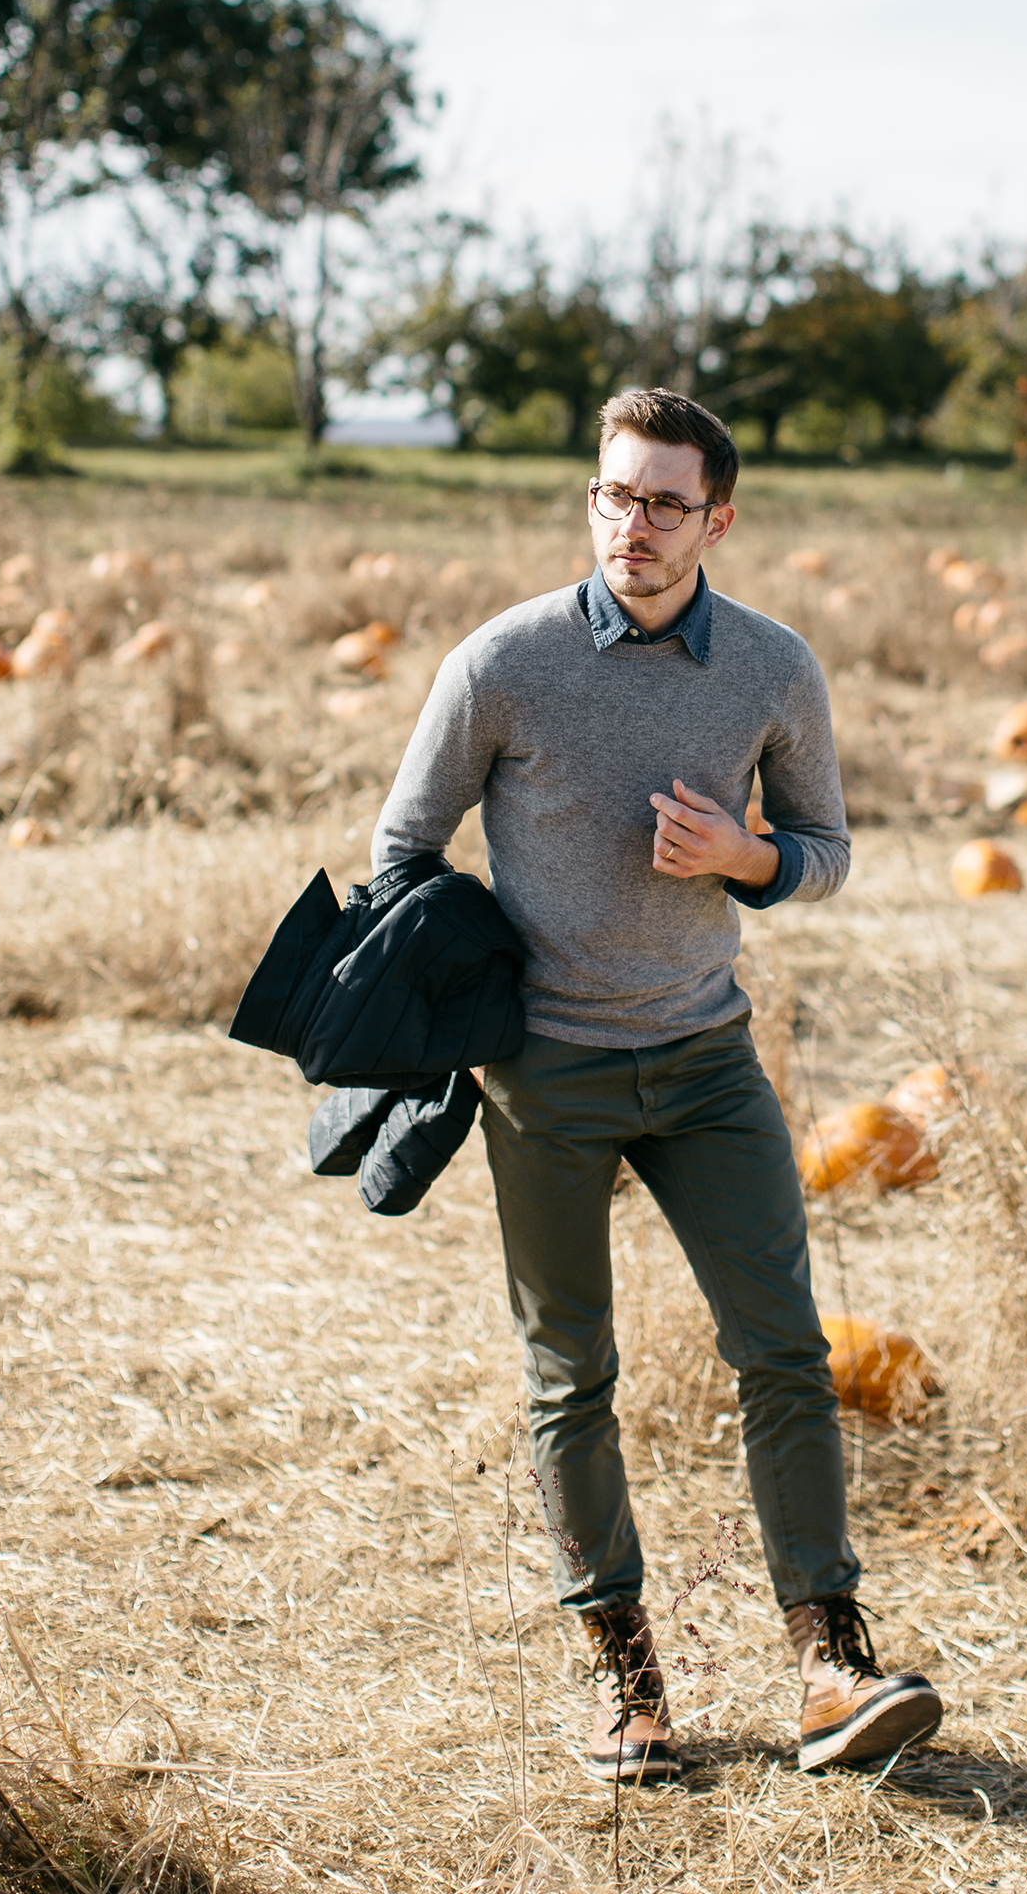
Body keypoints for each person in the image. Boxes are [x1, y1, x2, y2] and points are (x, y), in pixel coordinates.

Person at [372, 388, 942, 1781]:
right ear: (592, 501)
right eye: (616, 496)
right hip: (543, 1079)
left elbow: (822, 847)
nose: (636, 525)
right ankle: (625, 1684)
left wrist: (741, 861)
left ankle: (826, 1663)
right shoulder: (501, 662)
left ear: (717, 518)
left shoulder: (768, 667)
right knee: (570, 1376)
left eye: (666, 503)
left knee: (787, 1354)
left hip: (705, 1063)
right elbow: (403, 848)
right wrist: (473, 991)